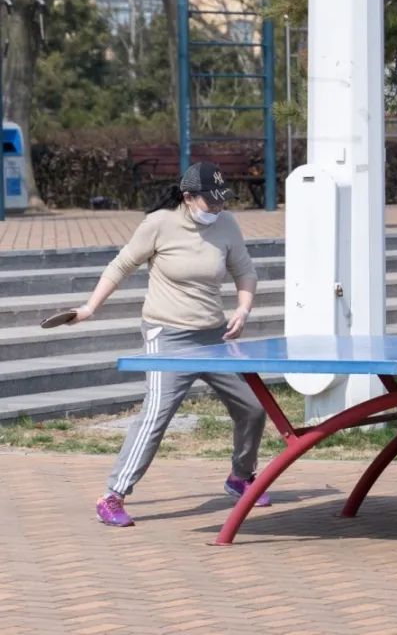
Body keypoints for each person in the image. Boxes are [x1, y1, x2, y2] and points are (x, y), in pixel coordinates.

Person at [73, 162, 269, 527]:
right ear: (188, 197)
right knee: (155, 417)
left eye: (222, 200)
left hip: (215, 337)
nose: (218, 208)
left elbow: (245, 271)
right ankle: (112, 495)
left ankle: (240, 477)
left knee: (253, 407)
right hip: (168, 336)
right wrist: (89, 308)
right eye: (210, 202)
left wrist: (243, 309)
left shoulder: (226, 224)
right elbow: (120, 266)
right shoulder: (159, 224)